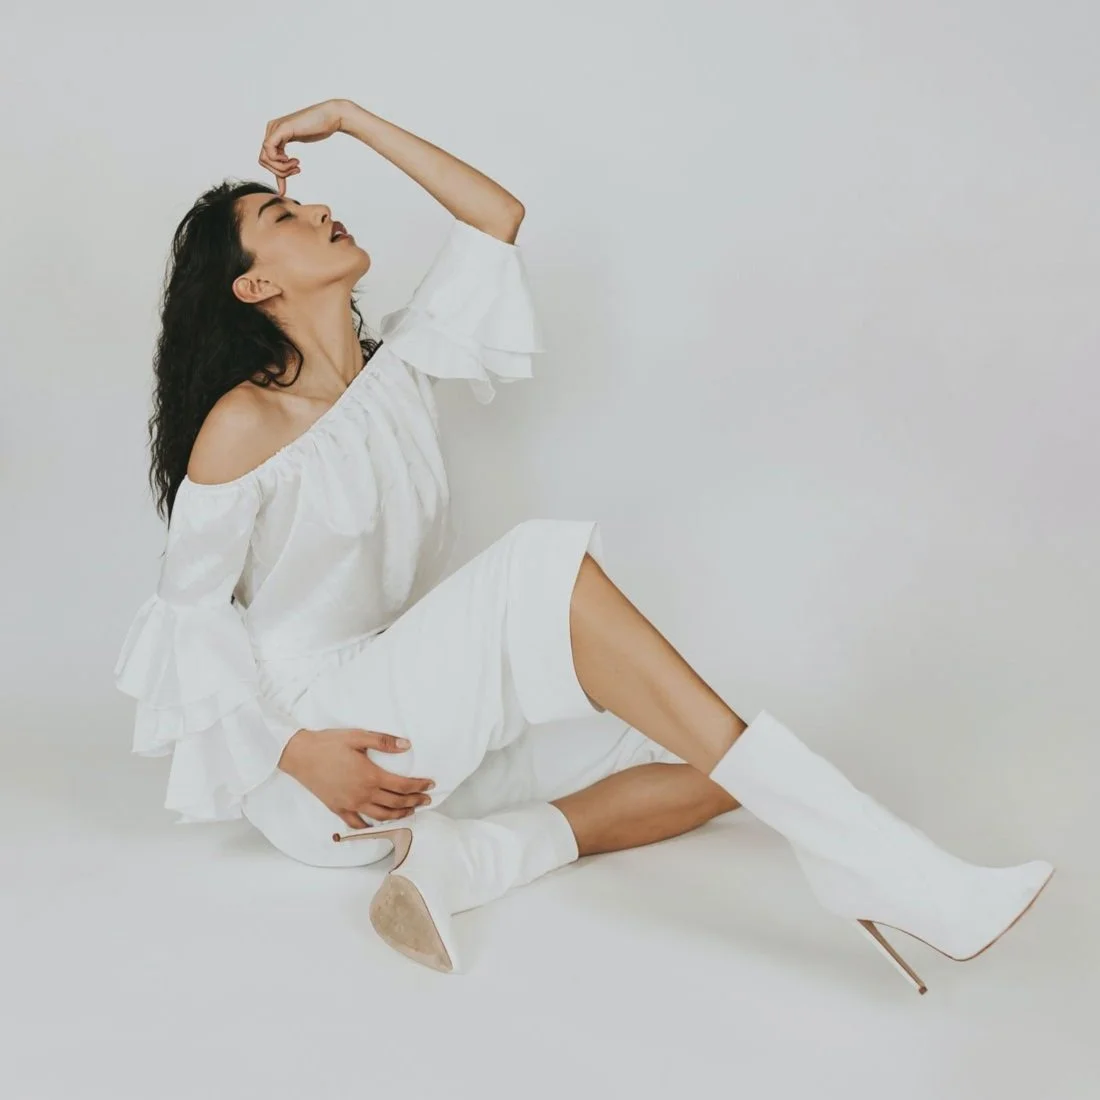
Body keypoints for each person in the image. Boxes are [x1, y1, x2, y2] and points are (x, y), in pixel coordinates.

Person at [114, 98, 1054, 991]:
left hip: (406, 722)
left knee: (702, 758)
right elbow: (186, 619)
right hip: (324, 760)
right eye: (282, 214)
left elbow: (497, 216)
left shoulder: (395, 371)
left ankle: (475, 855)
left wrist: (351, 118)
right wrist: (294, 754)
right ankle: (890, 869)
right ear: (255, 285)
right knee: (540, 569)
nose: (317, 205)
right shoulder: (245, 422)